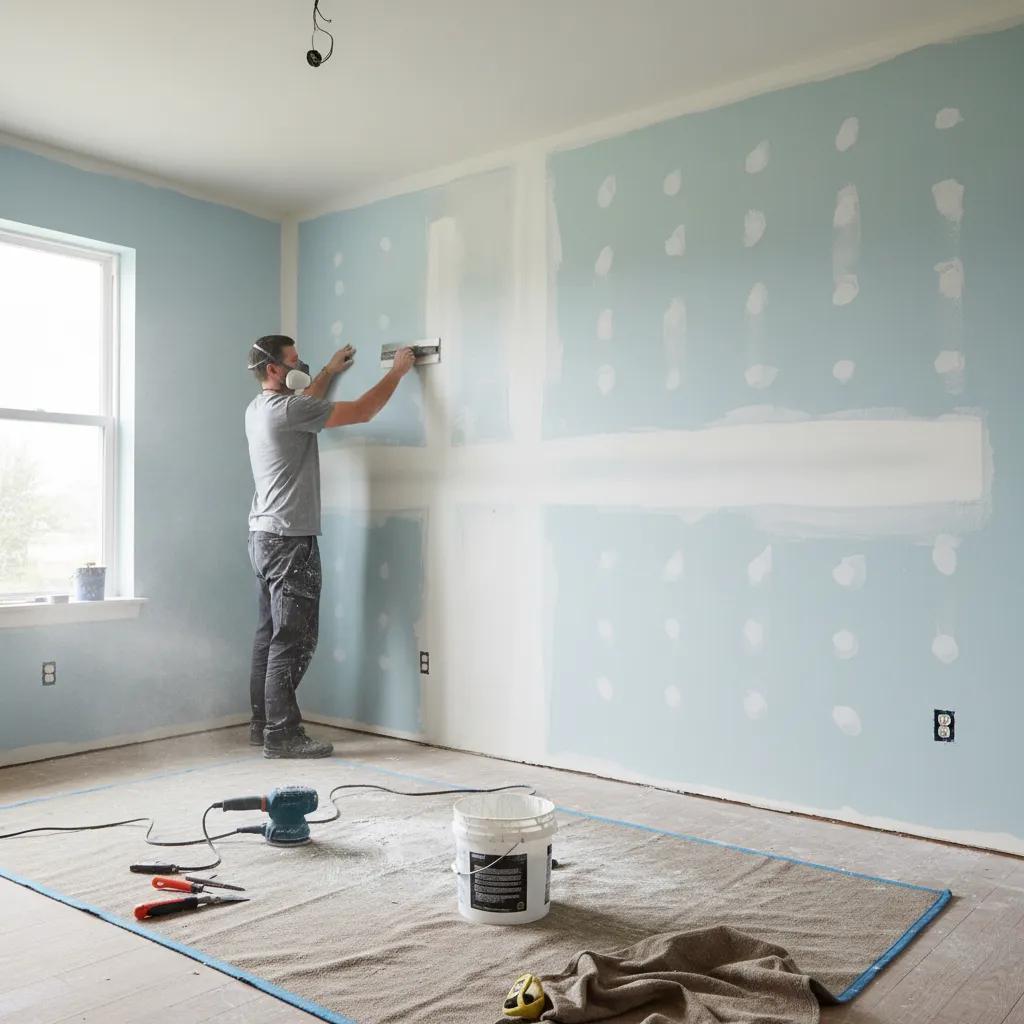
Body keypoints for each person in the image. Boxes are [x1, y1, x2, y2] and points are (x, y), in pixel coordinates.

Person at [244, 335, 416, 758]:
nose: (300, 367)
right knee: (294, 639)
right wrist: (397, 373)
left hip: (263, 537)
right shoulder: (290, 409)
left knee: (270, 637)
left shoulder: (259, 409)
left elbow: (306, 401)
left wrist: (328, 371)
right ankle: (282, 735)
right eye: (293, 362)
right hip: (289, 541)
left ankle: (262, 724)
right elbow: (362, 410)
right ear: (273, 369)